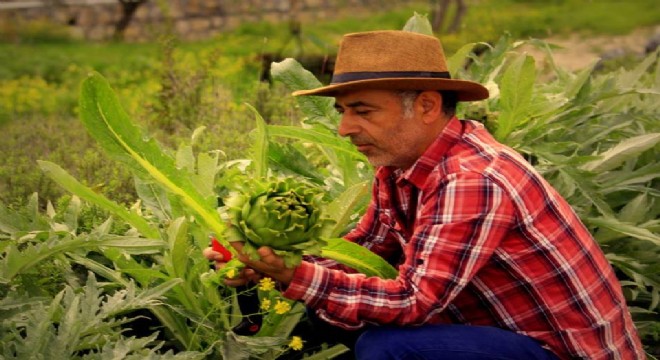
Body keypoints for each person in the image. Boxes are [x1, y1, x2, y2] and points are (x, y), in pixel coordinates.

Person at [204, 30, 645, 359]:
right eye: (342, 112)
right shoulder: (399, 167)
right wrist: (271, 268)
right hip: (497, 332)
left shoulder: (473, 179)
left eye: (363, 111)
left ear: (429, 106)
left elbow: (413, 303)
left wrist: (295, 277)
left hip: (561, 352)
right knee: (326, 311)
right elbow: (364, 251)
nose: (344, 128)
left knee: (387, 349)